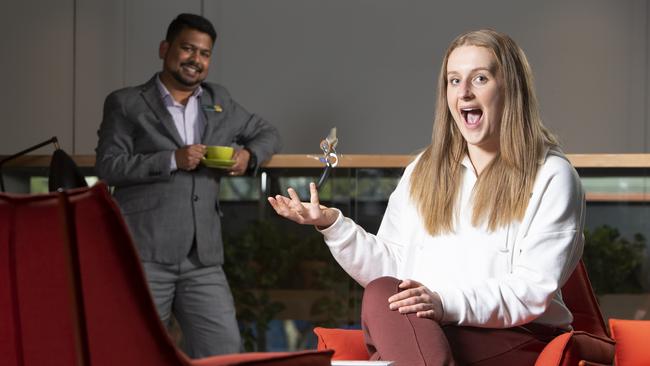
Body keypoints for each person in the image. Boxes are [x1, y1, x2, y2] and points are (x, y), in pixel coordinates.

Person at [268, 29, 584, 365]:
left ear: (510, 88)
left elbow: (531, 291)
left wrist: (442, 303)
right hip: (432, 327)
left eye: (480, 78)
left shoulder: (552, 175)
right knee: (382, 292)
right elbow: (392, 266)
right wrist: (333, 226)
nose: (464, 92)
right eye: (454, 80)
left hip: (519, 336)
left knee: (393, 349)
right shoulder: (424, 169)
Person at [95, 13, 281, 358]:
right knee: (138, 351)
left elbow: (268, 133)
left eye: (205, 53)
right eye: (187, 48)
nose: (196, 59)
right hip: (145, 253)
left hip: (204, 257)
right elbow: (108, 166)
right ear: (165, 49)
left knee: (224, 350)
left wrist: (249, 157)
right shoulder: (126, 103)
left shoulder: (218, 99)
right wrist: (171, 160)